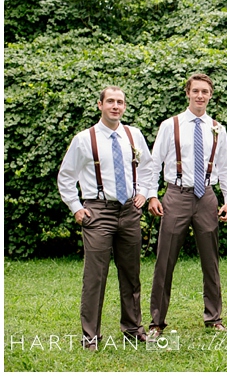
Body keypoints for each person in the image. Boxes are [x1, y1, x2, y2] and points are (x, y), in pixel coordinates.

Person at [57, 86, 154, 350]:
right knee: (95, 276)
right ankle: (90, 336)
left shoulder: (133, 135)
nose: (115, 106)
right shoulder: (84, 139)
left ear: (124, 106)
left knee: (131, 274)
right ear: (100, 105)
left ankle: (133, 329)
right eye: (110, 101)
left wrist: (144, 192)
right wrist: (76, 207)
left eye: (120, 102)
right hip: (97, 212)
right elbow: (66, 176)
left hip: (129, 211)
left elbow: (148, 166)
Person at [147, 73, 227, 338]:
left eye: (205, 92)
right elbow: (154, 162)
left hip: (206, 196)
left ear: (210, 95)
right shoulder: (170, 125)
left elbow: (226, 167)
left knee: (211, 260)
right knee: (165, 260)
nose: (200, 96)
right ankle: (156, 323)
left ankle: (214, 318)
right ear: (188, 93)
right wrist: (152, 195)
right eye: (195, 91)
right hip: (176, 195)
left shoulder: (217, 128)